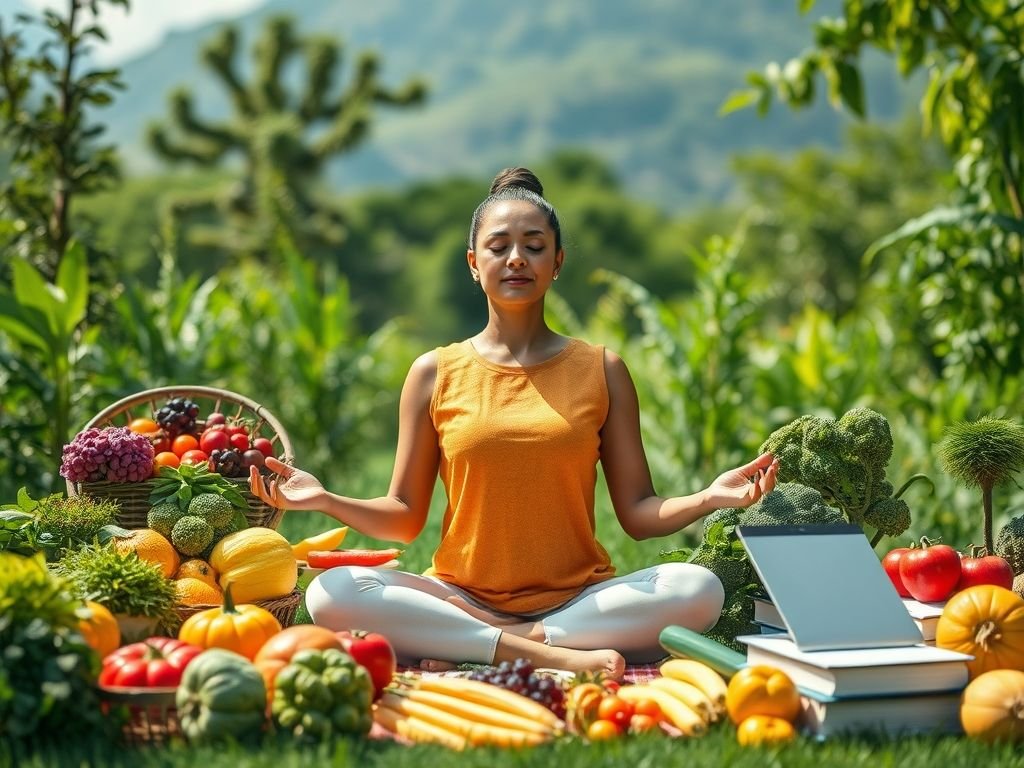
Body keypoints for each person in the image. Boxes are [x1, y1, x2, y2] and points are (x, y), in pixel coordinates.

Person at [250, 167, 778, 679]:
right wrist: (325, 499)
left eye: (534, 246)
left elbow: (639, 514)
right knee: (332, 592)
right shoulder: (434, 372)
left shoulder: (603, 370)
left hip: (579, 601)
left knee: (697, 589)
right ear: (473, 263)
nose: (517, 258)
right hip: (459, 596)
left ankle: (487, 644)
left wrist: (708, 498)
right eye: (499, 246)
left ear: (558, 261)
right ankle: (545, 651)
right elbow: (404, 516)